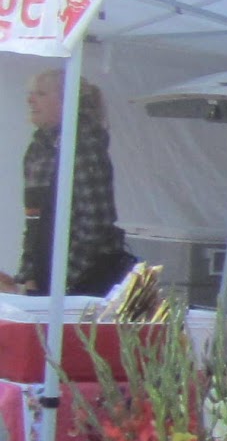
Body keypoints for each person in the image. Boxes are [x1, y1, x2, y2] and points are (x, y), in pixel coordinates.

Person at [0, 69, 132, 297]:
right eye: (31, 93)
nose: (30, 100)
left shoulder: (83, 146)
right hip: (50, 278)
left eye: (40, 93)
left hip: (85, 281)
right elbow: (34, 223)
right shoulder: (38, 149)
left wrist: (59, 281)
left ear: (67, 100)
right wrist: (28, 276)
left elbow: (95, 226)